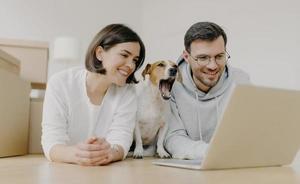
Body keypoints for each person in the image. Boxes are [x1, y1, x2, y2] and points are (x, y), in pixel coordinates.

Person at [42, 24, 145, 166]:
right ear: (99, 53)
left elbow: (121, 140)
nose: (131, 66)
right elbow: (51, 143)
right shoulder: (60, 83)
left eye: (135, 60)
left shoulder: (127, 91)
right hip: (64, 170)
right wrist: (80, 154)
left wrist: (108, 153)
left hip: (106, 171)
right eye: (124, 55)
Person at [164, 22, 250, 160]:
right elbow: (173, 138)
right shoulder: (171, 85)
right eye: (203, 58)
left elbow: (248, 131)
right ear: (186, 57)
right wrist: (211, 152)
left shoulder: (241, 80)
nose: (213, 66)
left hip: (232, 165)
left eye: (219, 56)